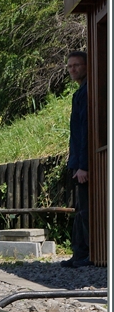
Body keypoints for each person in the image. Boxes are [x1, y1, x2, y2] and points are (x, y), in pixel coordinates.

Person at [63, 51, 91, 268]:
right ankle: (79, 253)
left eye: (77, 65)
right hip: (78, 161)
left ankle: (85, 254)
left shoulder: (86, 93)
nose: (73, 69)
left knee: (84, 210)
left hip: (84, 163)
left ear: (86, 66)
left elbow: (85, 131)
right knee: (80, 209)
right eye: (70, 66)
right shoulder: (80, 93)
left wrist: (83, 166)